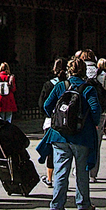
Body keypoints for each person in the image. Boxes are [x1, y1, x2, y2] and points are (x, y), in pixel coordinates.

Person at [42, 57, 101, 210]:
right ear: (83, 71)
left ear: (69, 70)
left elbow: (47, 105)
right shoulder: (88, 89)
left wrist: (57, 120)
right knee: (82, 170)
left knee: (61, 170)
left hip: (59, 136)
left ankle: (57, 204)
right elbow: (96, 110)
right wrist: (92, 123)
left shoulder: (61, 86)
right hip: (81, 136)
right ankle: (83, 203)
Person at [79, 49, 106, 182]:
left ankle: (79, 169)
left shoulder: (79, 73)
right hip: (99, 112)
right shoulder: (100, 73)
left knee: (80, 142)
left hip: (81, 112)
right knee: (96, 142)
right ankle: (92, 173)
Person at [38, 58, 65, 188]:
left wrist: (47, 115)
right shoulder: (68, 84)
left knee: (50, 151)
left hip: (51, 121)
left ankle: (49, 178)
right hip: (66, 121)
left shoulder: (49, 84)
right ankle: (62, 178)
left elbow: (42, 103)